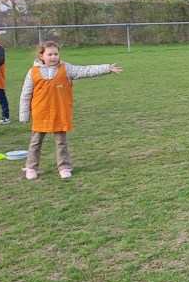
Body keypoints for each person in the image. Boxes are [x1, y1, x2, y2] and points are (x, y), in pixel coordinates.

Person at [19, 41, 123, 179]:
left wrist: (107, 68)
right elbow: (26, 94)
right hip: (41, 112)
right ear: (41, 56)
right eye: (50, 54)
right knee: (35, 142)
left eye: (56, 54)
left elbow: (85, 70)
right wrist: (24, 114)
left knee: (61, 142)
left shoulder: (66, 69)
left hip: (60, 112)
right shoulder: (32, 72)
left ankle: (64, 167)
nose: (53, 57)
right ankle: (31, 167)